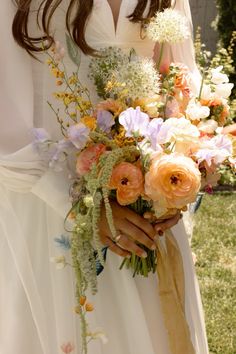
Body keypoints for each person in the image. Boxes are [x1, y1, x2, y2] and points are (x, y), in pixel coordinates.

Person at [0, 1, 209, 353]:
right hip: (48, 210)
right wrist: (82, 208)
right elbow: (7, 126)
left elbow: (180, 85)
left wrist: (174, 177)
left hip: (144, 217)